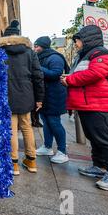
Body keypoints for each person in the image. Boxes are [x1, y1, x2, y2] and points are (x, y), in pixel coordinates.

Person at [61, 25, 108, 191]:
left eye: (78, 40)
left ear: (86, 39)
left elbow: (95, 74)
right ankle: (100, 166)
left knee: (106, 139)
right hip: (89, 103)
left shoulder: (101, 54)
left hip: (100, 104)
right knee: (95, 138)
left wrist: (70, 80)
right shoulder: (88, 55)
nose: (76, 44)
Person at [0, 20, 45, 176]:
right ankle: (31, 160)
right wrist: (39, 98)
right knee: (27, 127)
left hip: (6, 94)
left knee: (11, 130)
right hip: (26, 95)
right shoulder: (29, 52)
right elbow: (38, 75)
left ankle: (14, 164)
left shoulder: (0, 51)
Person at [34, 36, 70, 164]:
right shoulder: (40, 57)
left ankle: (62, 151)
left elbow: (56, 73)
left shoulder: (55, 57)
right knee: (46, 121)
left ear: (43, 46)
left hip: (55, 95)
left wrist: (38, 68)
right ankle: (47, 147)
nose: (35, 48)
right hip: (45, 95)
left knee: (54, 122)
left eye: (37, 46)